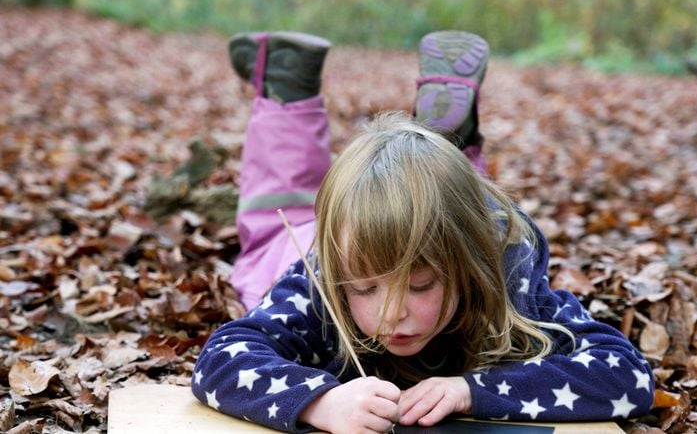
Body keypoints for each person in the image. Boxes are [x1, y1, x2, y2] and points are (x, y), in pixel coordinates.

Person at [191, 30, 654, 433]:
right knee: (282, 222)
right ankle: (304, 98)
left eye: (419, 286)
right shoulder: (323, 280)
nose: (392, 315)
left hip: (450, 231)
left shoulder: (504, 278)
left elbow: (627, 375)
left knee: (446, 210)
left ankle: (288, 97)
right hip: (317, 239)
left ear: (467, 268)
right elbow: (222, 357)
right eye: (366, 289)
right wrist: (319, 401)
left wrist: (473, 391)